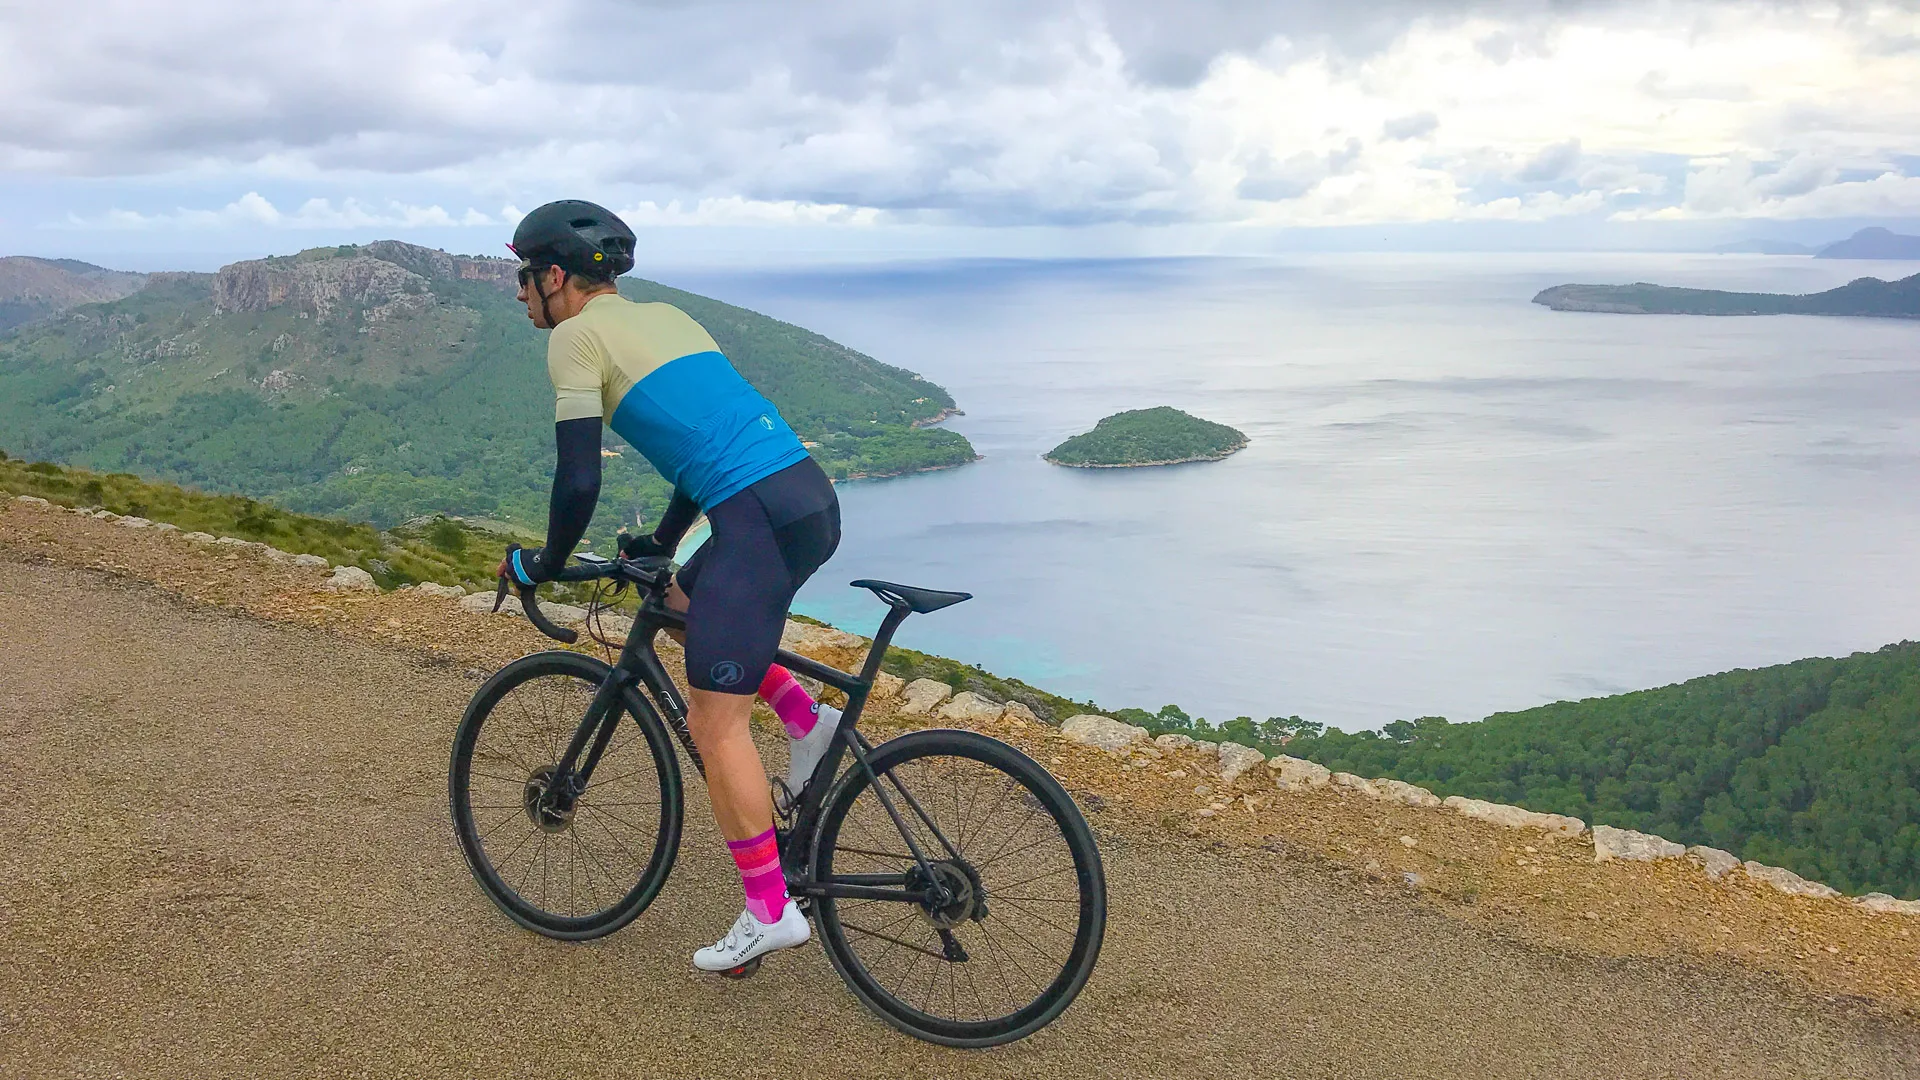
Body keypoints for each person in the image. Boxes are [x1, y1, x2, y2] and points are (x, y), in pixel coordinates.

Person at [498, 199, 843, 972]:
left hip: (754, 523)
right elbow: (702, 448)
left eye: (525, 276)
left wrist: (545, 564)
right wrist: (661, 540)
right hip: (805, 502)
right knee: (685, 607)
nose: (520, 293)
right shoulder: (669, 319)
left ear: (556, 277)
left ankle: (768, 910)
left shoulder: (575, 339)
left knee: (712, 724)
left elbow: (578, 479)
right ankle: (805, 722)